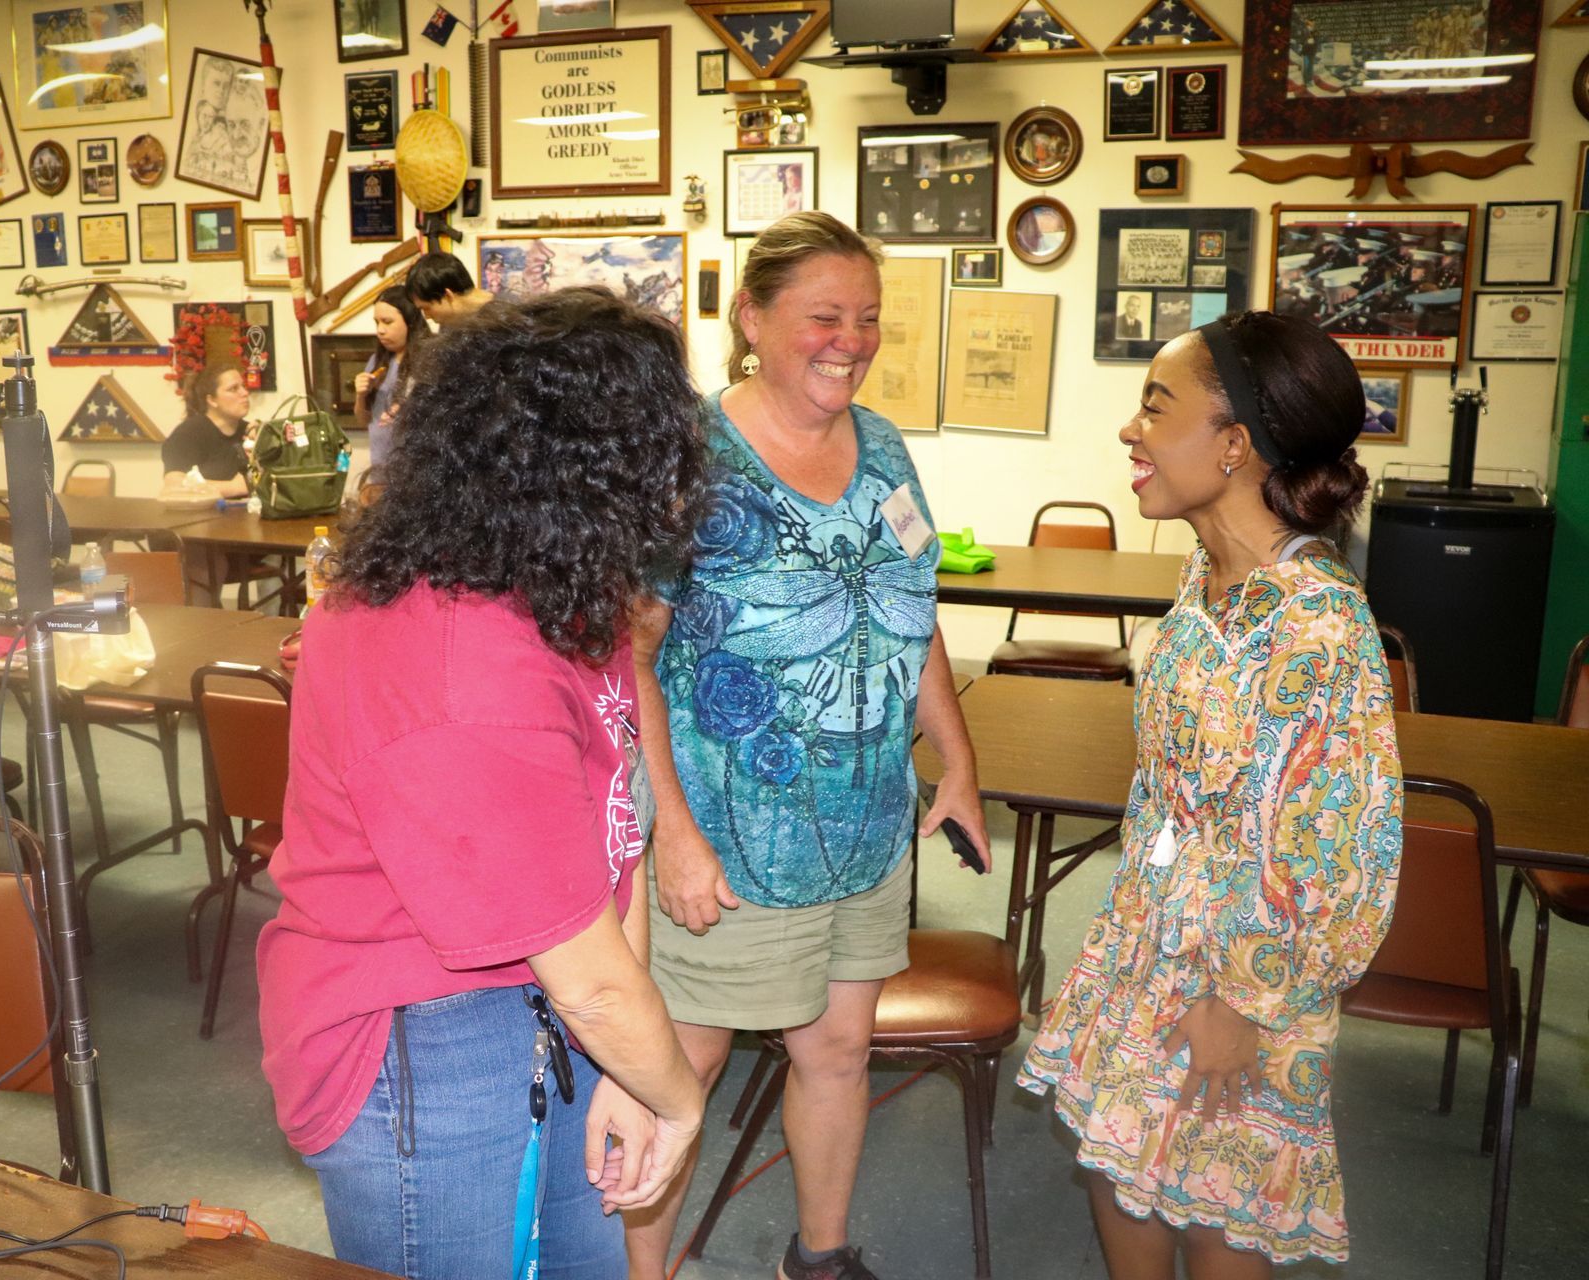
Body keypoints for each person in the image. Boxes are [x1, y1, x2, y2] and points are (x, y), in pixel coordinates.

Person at [259, 288, 710, 1278]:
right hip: (422, 1033)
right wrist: (676, 1090)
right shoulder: (460, 663)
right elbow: (588, 975)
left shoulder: (547, 584)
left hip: (545, 994)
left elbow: (613, 833)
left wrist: (627, 1071)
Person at [624, 211, 990, 1280]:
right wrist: (675, 835)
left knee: (837, 1049)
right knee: (677, 1072)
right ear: (751, 317)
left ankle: (818, 1256)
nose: (851, 340)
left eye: (868, 319)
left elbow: (908, 608)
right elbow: (628, 654)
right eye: (824, 316)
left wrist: (956, 761)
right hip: (732, 836)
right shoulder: (689, 458)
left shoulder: (883, 448)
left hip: (865, 827)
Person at [1017, 311, 1403, 1276]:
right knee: (1119, 1162)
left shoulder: (1316, 625)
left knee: (1212, 1196)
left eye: (1156, 405)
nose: (1130, 429)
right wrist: (1130, 941)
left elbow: (1343, 854)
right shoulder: (1209, 575)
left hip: (1247, 975)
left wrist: (1244, 1003)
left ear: (1234, 445)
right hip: (1153, 934)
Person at [350, 285, 426, 469]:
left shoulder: (428, 360)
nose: (380, 330)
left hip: (416, 470)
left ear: (410, 321)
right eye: (377, 323)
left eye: (387, 322)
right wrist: (361, 395)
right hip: (380, 469)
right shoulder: (377, 361)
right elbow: (363, 421)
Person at [161, 361, 251, 498]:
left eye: (243, 386)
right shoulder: (189, 434)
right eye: (233, 389)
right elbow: (174, 485)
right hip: (203, 516)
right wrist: (234, 488)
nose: (245, 393)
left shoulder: (250, 431)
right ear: (212, 400)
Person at [406, 249, 493, 325]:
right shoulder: (456, 323)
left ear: (448, 296)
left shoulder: (502, 320)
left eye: (426, 308)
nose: (427, 317)